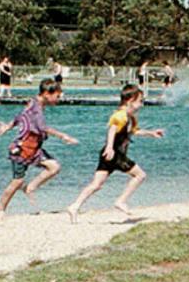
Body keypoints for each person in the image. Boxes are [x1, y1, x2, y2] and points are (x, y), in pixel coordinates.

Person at [67, 84, 163, 220]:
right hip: (115, 154)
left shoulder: (131, 118)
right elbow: (112, 129)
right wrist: (110, 147)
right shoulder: (121, 115)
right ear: (130, 101)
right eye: (140, 101)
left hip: (108, 155)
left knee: (97, 184)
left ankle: (75, 206)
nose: (142, 104)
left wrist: (151, 133)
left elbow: (135, 131)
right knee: (140, 175)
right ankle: (121, 201)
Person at [0, 78, 79, 218]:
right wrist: (64, 136)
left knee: (54, 167)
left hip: (35, 149)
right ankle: (0, 207)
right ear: (46, 93)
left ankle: (30, 187)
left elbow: (20, 116)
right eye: (57, 96)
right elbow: (42, 127)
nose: (58, 100)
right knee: (17, 181)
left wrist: (8, 126)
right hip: (21, 149)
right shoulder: (37, 108)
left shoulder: (33, 102)